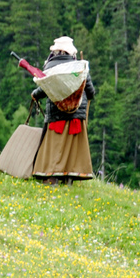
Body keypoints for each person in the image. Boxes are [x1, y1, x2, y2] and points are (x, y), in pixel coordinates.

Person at [31, 36, 97, 185]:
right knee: (72, 148)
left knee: (55, 146)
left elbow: (44, 88)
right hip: (77, 114)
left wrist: (35, 95)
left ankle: (52, 176)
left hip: (56, 114)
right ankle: (69, 178)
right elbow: (91, 92)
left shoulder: (50, 67)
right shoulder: (79, 66)